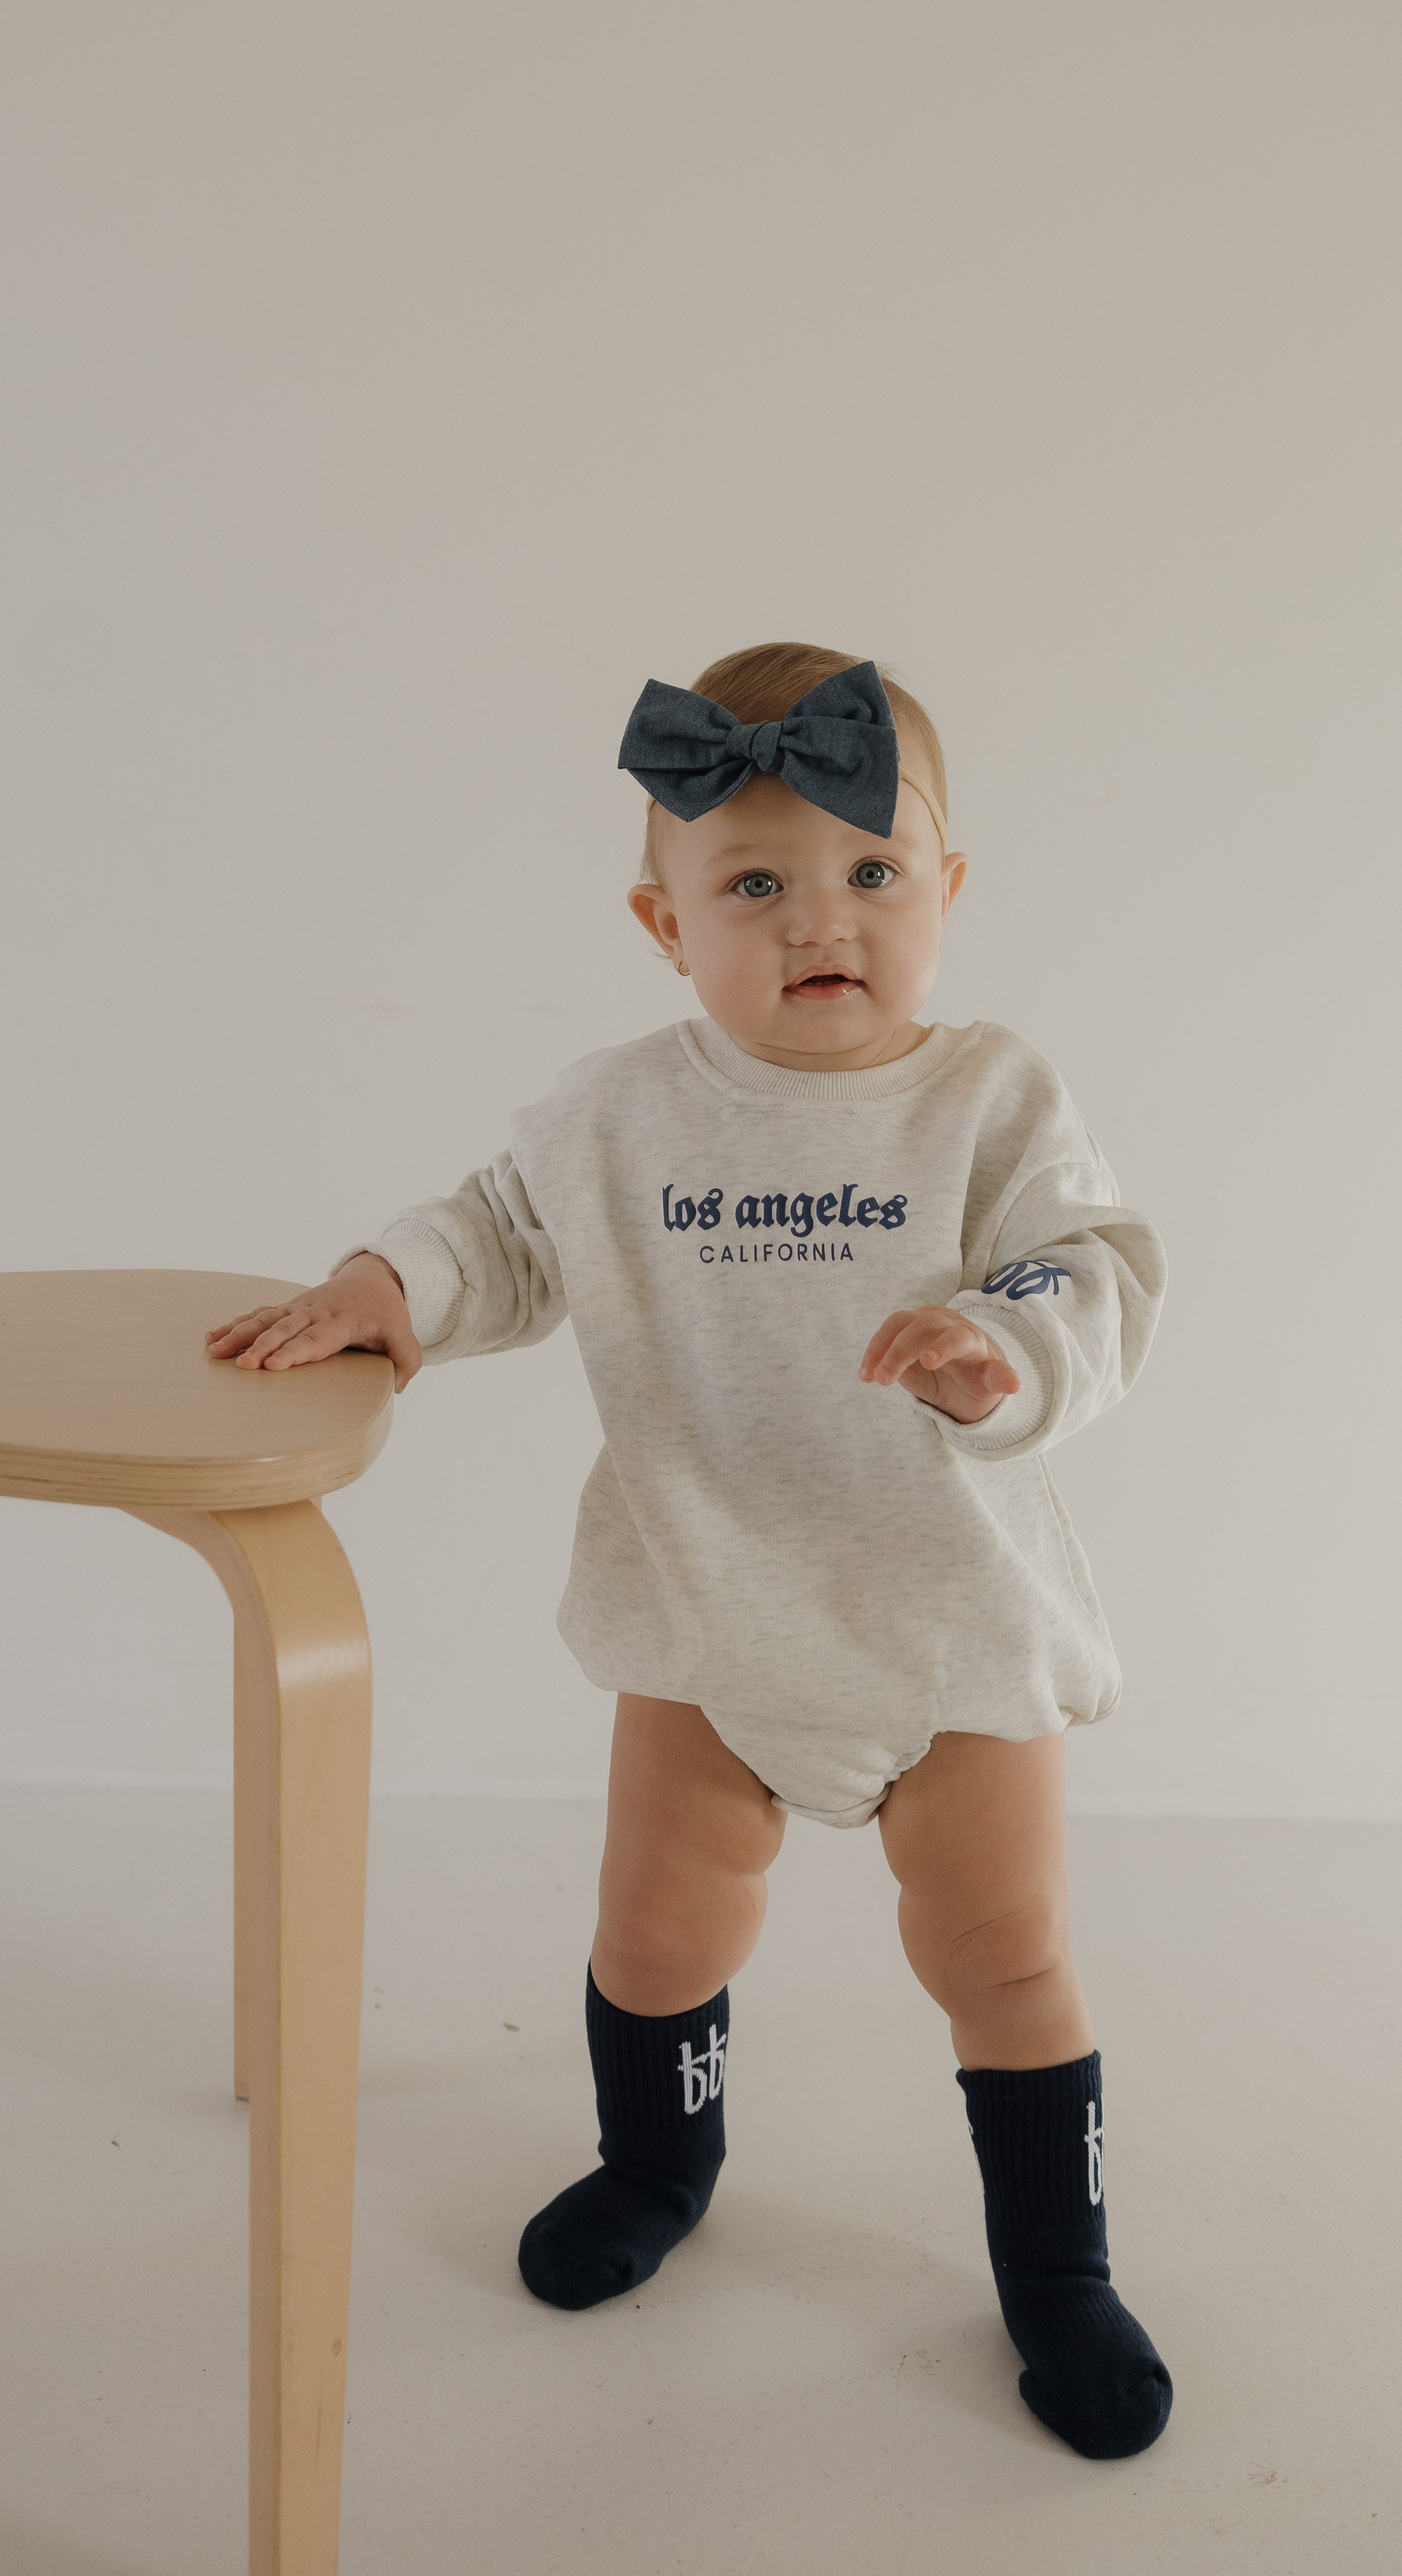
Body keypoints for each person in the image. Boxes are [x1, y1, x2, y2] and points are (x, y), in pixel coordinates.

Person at [205, 641, 1173, 2461]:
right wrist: (383, 1288)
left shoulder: (991, 1100)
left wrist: (1003, 1345)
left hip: (945, 1622)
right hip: (706, 1612)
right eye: (753, 885)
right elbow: (498, 1234)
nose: (824, 920)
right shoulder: (617, 1115)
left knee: (1003, 1955)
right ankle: (657, 2162)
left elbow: (1091, 1266)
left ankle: (1059, 2270)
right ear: (663, 925)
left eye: (872, 870)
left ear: (947, 889)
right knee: (656, 1936)